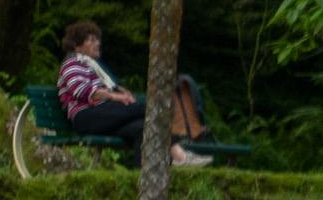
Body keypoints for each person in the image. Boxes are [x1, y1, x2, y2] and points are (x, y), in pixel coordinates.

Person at [56, 20, 211, 167]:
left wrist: (119, 91)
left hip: (101, 116)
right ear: (77, 46)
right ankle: (180, 154)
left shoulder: (92, 67)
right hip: (86, 117)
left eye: (97, 40)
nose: (98, 44)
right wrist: (114, 96)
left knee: (142, 129)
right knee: (147, 109)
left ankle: (141, 180)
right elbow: (81, 90)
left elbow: (103, 89)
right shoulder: (72, 63)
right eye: (92, 40)